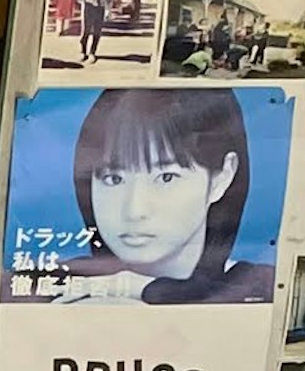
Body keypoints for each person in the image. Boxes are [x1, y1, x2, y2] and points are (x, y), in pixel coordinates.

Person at [59, 81, 271, 301]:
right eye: (114, 179)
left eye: (166, 177)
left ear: (222, 177)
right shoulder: (46, 286)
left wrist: (146, 290)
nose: (135, 210)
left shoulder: (260, 289)